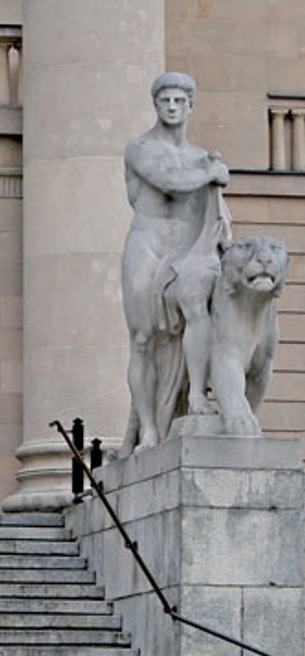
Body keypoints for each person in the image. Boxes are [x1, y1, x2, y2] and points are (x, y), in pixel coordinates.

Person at [120, 72, 232, 452]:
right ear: (155, 104)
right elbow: (168, 182)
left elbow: (215, 211)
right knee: (142, 340)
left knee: (197, 317)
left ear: (190, 106)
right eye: (165, 100)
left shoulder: (200, 156)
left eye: (179, 101)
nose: (172, 107)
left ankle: (197, 395)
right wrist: (212, 173)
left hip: (188, 249)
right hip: (147, 247)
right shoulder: (140, 149)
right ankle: (149, 429)